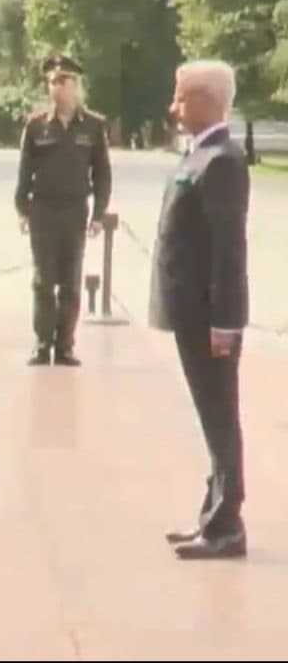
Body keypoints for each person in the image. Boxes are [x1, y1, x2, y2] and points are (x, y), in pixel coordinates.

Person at [150, 59, 250, 560]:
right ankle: (213, 511)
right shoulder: (199, 155)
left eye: (181, 96)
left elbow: (229, 251)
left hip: (209, 317)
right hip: (191, 311)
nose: (173, 107)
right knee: (211, 417)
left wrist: (225, 323)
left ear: (209, 100)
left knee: (220, 416)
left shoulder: (224, 161)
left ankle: (226, 524)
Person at [14, 53, 112, 366]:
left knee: (70, 280)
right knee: (44, 280)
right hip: (43, 210)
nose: (57, 88)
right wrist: (22, 208)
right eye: (53, 82)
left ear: (75, 86)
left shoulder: (93, 127)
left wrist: (98, 214)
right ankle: (43, 344)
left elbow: (102, 174)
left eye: (63, 82)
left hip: (74, 211)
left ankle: (65, 345)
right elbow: (24, 171)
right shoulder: (36, 125)